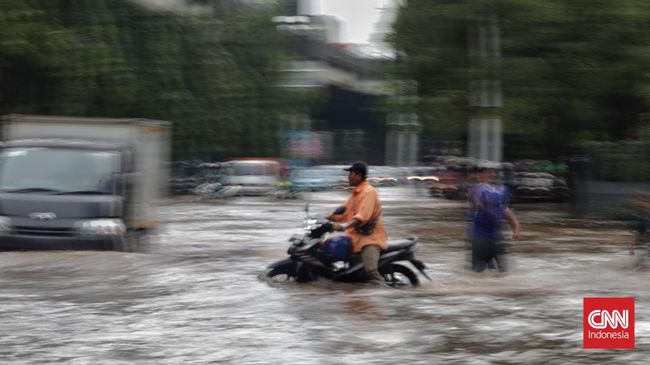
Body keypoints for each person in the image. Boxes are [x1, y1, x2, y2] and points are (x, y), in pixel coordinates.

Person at [328, 161, 388, 286]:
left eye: (351, 174)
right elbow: (344, 212)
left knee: (370, 270)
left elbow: (362, 217)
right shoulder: (355, 193)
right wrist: (325, 219)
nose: (348, 177)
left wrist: (345, 226)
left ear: (359, 176)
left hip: (370, 240)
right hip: (354, 238)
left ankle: (385, 293)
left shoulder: (368, 192)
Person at [467, 161, 520, 272]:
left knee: (503, 272)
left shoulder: (501, 191)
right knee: (478, 272)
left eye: (493, 172)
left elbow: (506, 210)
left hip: (496, 238)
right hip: (479, 239)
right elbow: (476, 200)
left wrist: (516, 228)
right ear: (480, 174)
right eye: (488, 172)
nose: (492, 174)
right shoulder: (476, 189)